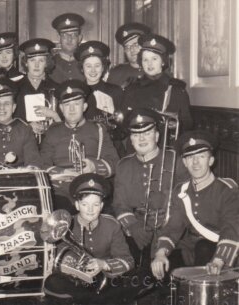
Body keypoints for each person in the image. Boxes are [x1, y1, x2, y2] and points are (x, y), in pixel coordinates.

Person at [151, 130, 239, 279]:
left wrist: (218, 261)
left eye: (201, 156)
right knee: (160, 268)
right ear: (185, 162)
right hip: (190, 250)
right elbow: (173, 227)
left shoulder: (227, 190)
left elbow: (230, 228)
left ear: (211, 161)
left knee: (203, 248)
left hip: (221, 252)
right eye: (190, 157)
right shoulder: (181, 190)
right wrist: (160, 254)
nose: (195, 162)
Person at [112, 108, 189, 267]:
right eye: (136, 134)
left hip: (174, 233)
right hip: (138, 231)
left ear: (157, 136)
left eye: (147, 133)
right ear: (131, 140)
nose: (142, 138)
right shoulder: (124, 165)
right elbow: (120, 205)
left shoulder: (176, 161)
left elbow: (183, 207)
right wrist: (133, 226)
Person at [43, 173, 136, 305]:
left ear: (102, 206)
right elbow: (57, 260)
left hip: (104, 280)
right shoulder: (65, 225)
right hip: (74, 283)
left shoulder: (112, 225)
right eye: (85, 204)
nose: (90, 210)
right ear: (77, 205)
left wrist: (103, 264)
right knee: (52, 282)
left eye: (96, 205)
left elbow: (128, 261)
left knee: (128, 285)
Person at [40, 79, 119, 212]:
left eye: (76, 104)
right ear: (61, 108)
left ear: (84, 107)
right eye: (67, 105)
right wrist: (63, 173)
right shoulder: (53, 131)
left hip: (91, 190)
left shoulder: (98, 130)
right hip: (60, 192)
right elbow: (42, 164)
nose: (71, 109)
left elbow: (115, 163)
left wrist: (94, 166)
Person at [123, 34, 193, 133]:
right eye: (145, 59)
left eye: (154, 59)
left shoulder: (176, 89)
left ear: (163, 62)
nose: (149, 64)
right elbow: (125, 122)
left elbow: (187, 123)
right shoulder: (132, 88)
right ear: (141, 62)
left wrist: (175, 125)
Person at [74, 40, 125, 149]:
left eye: (97, 65)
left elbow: (123, 127)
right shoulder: (75, 92)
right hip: (82, 146)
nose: (93, 70)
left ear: (103, 67)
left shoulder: (115, 91)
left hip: (111, 147)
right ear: (82, 68)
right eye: (88, 66)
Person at [15, 38, 60, 138]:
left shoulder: (56, 88)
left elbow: (64, 124)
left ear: (47, 63)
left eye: (41, 60)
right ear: (26, 63)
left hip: (50, 144)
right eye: (32, 60)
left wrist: (54, 115)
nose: (36, 65)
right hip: (21, 144)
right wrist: (27, 127)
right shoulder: (15, 87)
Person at [107, 23, 151, 89]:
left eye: (135, 44)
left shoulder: (155, 70)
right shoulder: (116, 74)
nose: (132, 50)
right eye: (127, 47)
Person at [49, 13, 86, 83]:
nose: (69, 39)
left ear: (80, 38)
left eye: (74, 35)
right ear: (58, 38)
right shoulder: (49, 63)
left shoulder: (87, 63)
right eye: (65, 35)